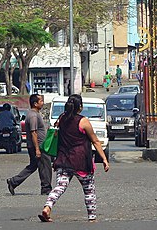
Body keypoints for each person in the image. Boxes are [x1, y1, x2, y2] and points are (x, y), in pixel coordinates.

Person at [39, 94, 109, 223]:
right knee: (88, 189)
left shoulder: (61, 118)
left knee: (60, 186)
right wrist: (104, 159)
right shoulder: (83, 121)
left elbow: (55, 130)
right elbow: (95, 141)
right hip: (81, 160)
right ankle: (92, 217)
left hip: (63, 159)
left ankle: (47, 207)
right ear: (80, 107)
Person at [7, 93, 52, 196]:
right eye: (41, 101)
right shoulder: (33, 115)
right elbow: (33, 132)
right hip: (38, 146)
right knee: (45, 166)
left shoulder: (35, 114)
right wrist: (37, 149)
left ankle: (14, 181)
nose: (42, 103)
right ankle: (46, 188)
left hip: (38, 145)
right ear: (35, 103)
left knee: (33, 166)